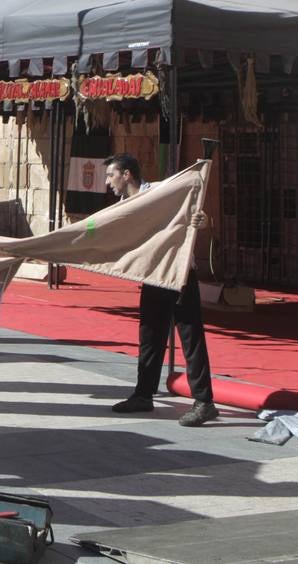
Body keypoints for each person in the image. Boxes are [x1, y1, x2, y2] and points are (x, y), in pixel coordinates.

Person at [104, 153, 219, 427]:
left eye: (111, 175)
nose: (108, 181)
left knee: (190, 336)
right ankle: (144, 394)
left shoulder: (160, 192)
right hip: (153, 274)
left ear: (127, 174)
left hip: (178, 273)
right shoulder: (122, 207)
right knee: (150, 336)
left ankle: (204, 401)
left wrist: (202, 219)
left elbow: (192, 207)